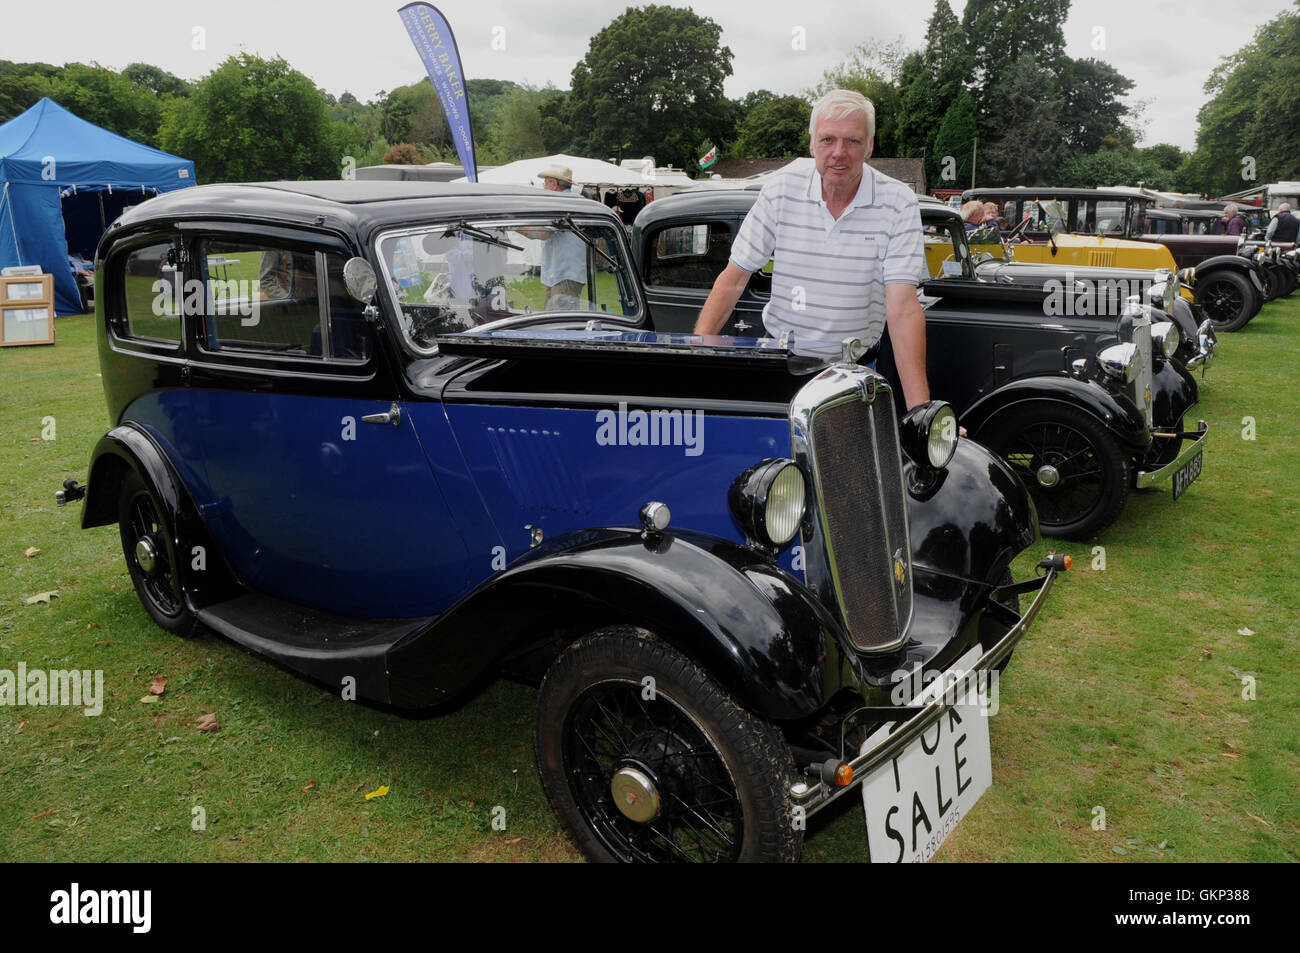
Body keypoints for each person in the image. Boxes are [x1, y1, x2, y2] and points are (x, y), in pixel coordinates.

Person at [693, 88, 929, 409]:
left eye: (853, 140)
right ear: (812, 143)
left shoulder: (899, 202)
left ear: (870, 146)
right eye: (828, 139)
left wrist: (922, 413)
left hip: (854, 375)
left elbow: (902, 308)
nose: (838, 153)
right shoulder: (780, 191)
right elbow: (733, 279)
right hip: (782, 366)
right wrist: (698, 361)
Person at [527, 164, 587, 309]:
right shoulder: (568, 201)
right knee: (552, 317)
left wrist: (513, 225)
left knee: (560, 320)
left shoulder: (563, 203)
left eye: (545, 183)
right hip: (560, 275)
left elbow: (542, 233)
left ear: (553, 184)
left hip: (564, 275)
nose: (544, 187)